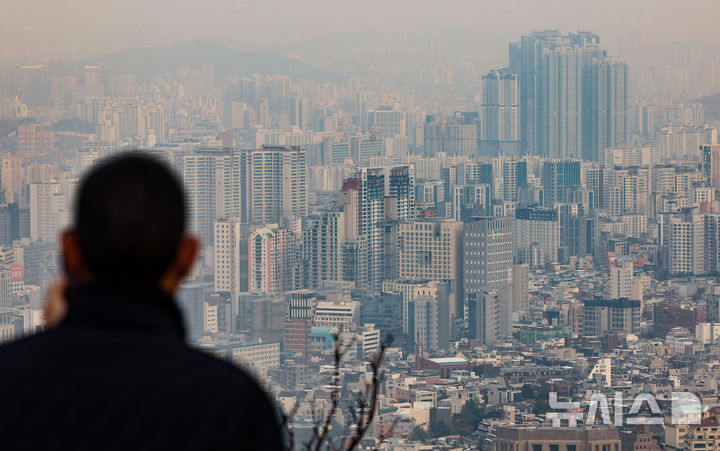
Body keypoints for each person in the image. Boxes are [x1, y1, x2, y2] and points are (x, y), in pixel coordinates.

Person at [0, 154, 284, 450]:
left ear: (70, 251)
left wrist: (57, 340)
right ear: (187, 257)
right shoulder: (228, 404)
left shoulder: (8, 379)